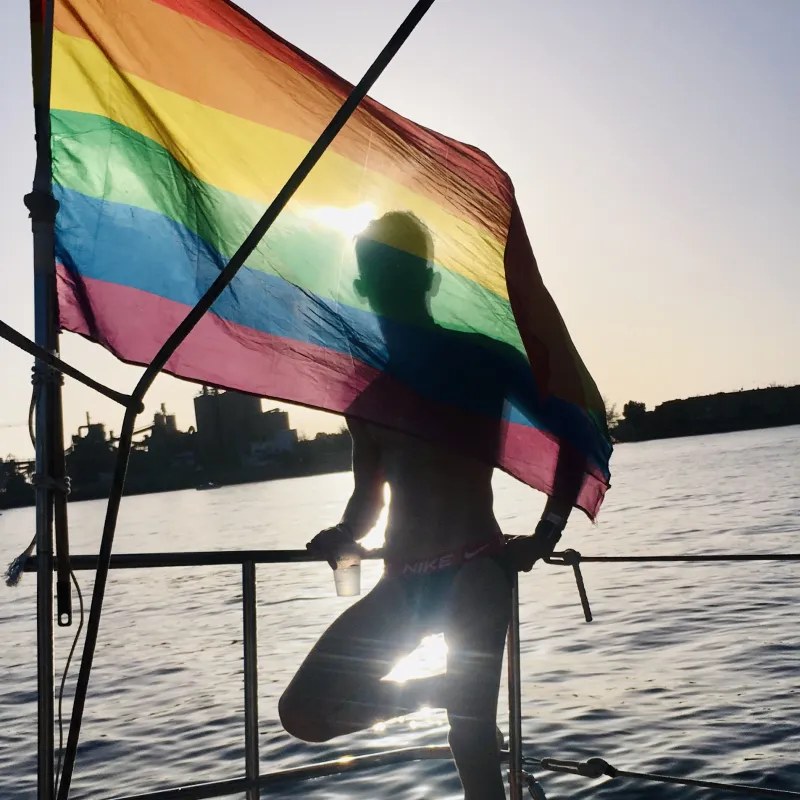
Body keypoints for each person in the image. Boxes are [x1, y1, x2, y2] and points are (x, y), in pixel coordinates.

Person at [278, 212, 583, 800]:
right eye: (379, 272)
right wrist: (344, 534)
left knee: (472, 749)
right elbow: (368, 497)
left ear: (427, 278)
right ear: (365, 286)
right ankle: (439, 690)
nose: (390, 282)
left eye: (402, 269)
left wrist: (546, 534)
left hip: (475, 570)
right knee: (305, 713)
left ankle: (462, 705)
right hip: (402, 581)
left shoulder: (481, 361)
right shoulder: (366, 396)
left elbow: (573, 432)